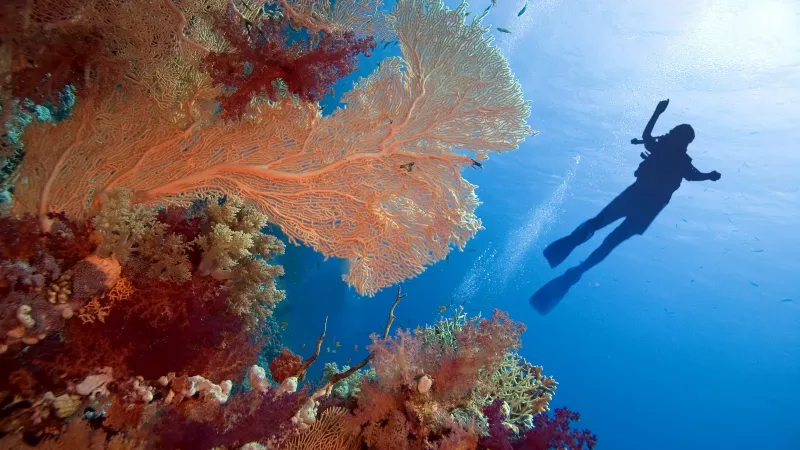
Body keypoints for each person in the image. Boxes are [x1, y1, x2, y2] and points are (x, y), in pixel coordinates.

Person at [530, 99, 721, 314]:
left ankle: (576, 252)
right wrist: (709, 176)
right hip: (648, 205)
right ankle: (578, 267)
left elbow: (652, 139)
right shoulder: (677, 157)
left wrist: (657, 112)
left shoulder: (668, 152)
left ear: (680, 137)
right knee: (608, 239)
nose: (671, 133)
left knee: (602, 230)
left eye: (674, 131)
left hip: (637, 197)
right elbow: (693, 175)